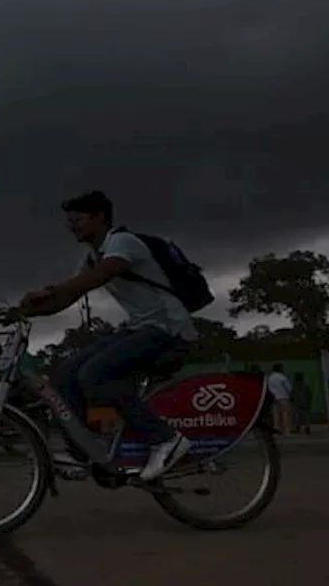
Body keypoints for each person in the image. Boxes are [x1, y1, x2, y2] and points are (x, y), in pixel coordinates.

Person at [15, 191, 201, 481]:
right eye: (69, 221)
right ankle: (86, 450)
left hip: (168, 329)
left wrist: (48, 291)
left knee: (95, 374)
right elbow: (71, 294)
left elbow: (100, 276)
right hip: (139, 328)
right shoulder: (91, 257)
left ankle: (166, 439)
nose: (71, 226)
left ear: (100, 218)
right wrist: (24, 311)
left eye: (77, 219)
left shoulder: (122, 243)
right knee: (64, 375)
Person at [267, 363, 292, 435]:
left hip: (274, 398)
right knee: (285, 413)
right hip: (283, 397)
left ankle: (276, 429)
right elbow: (288, 388)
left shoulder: (269, 377)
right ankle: (286, 430)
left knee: (276, 415)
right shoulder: (282, 377)